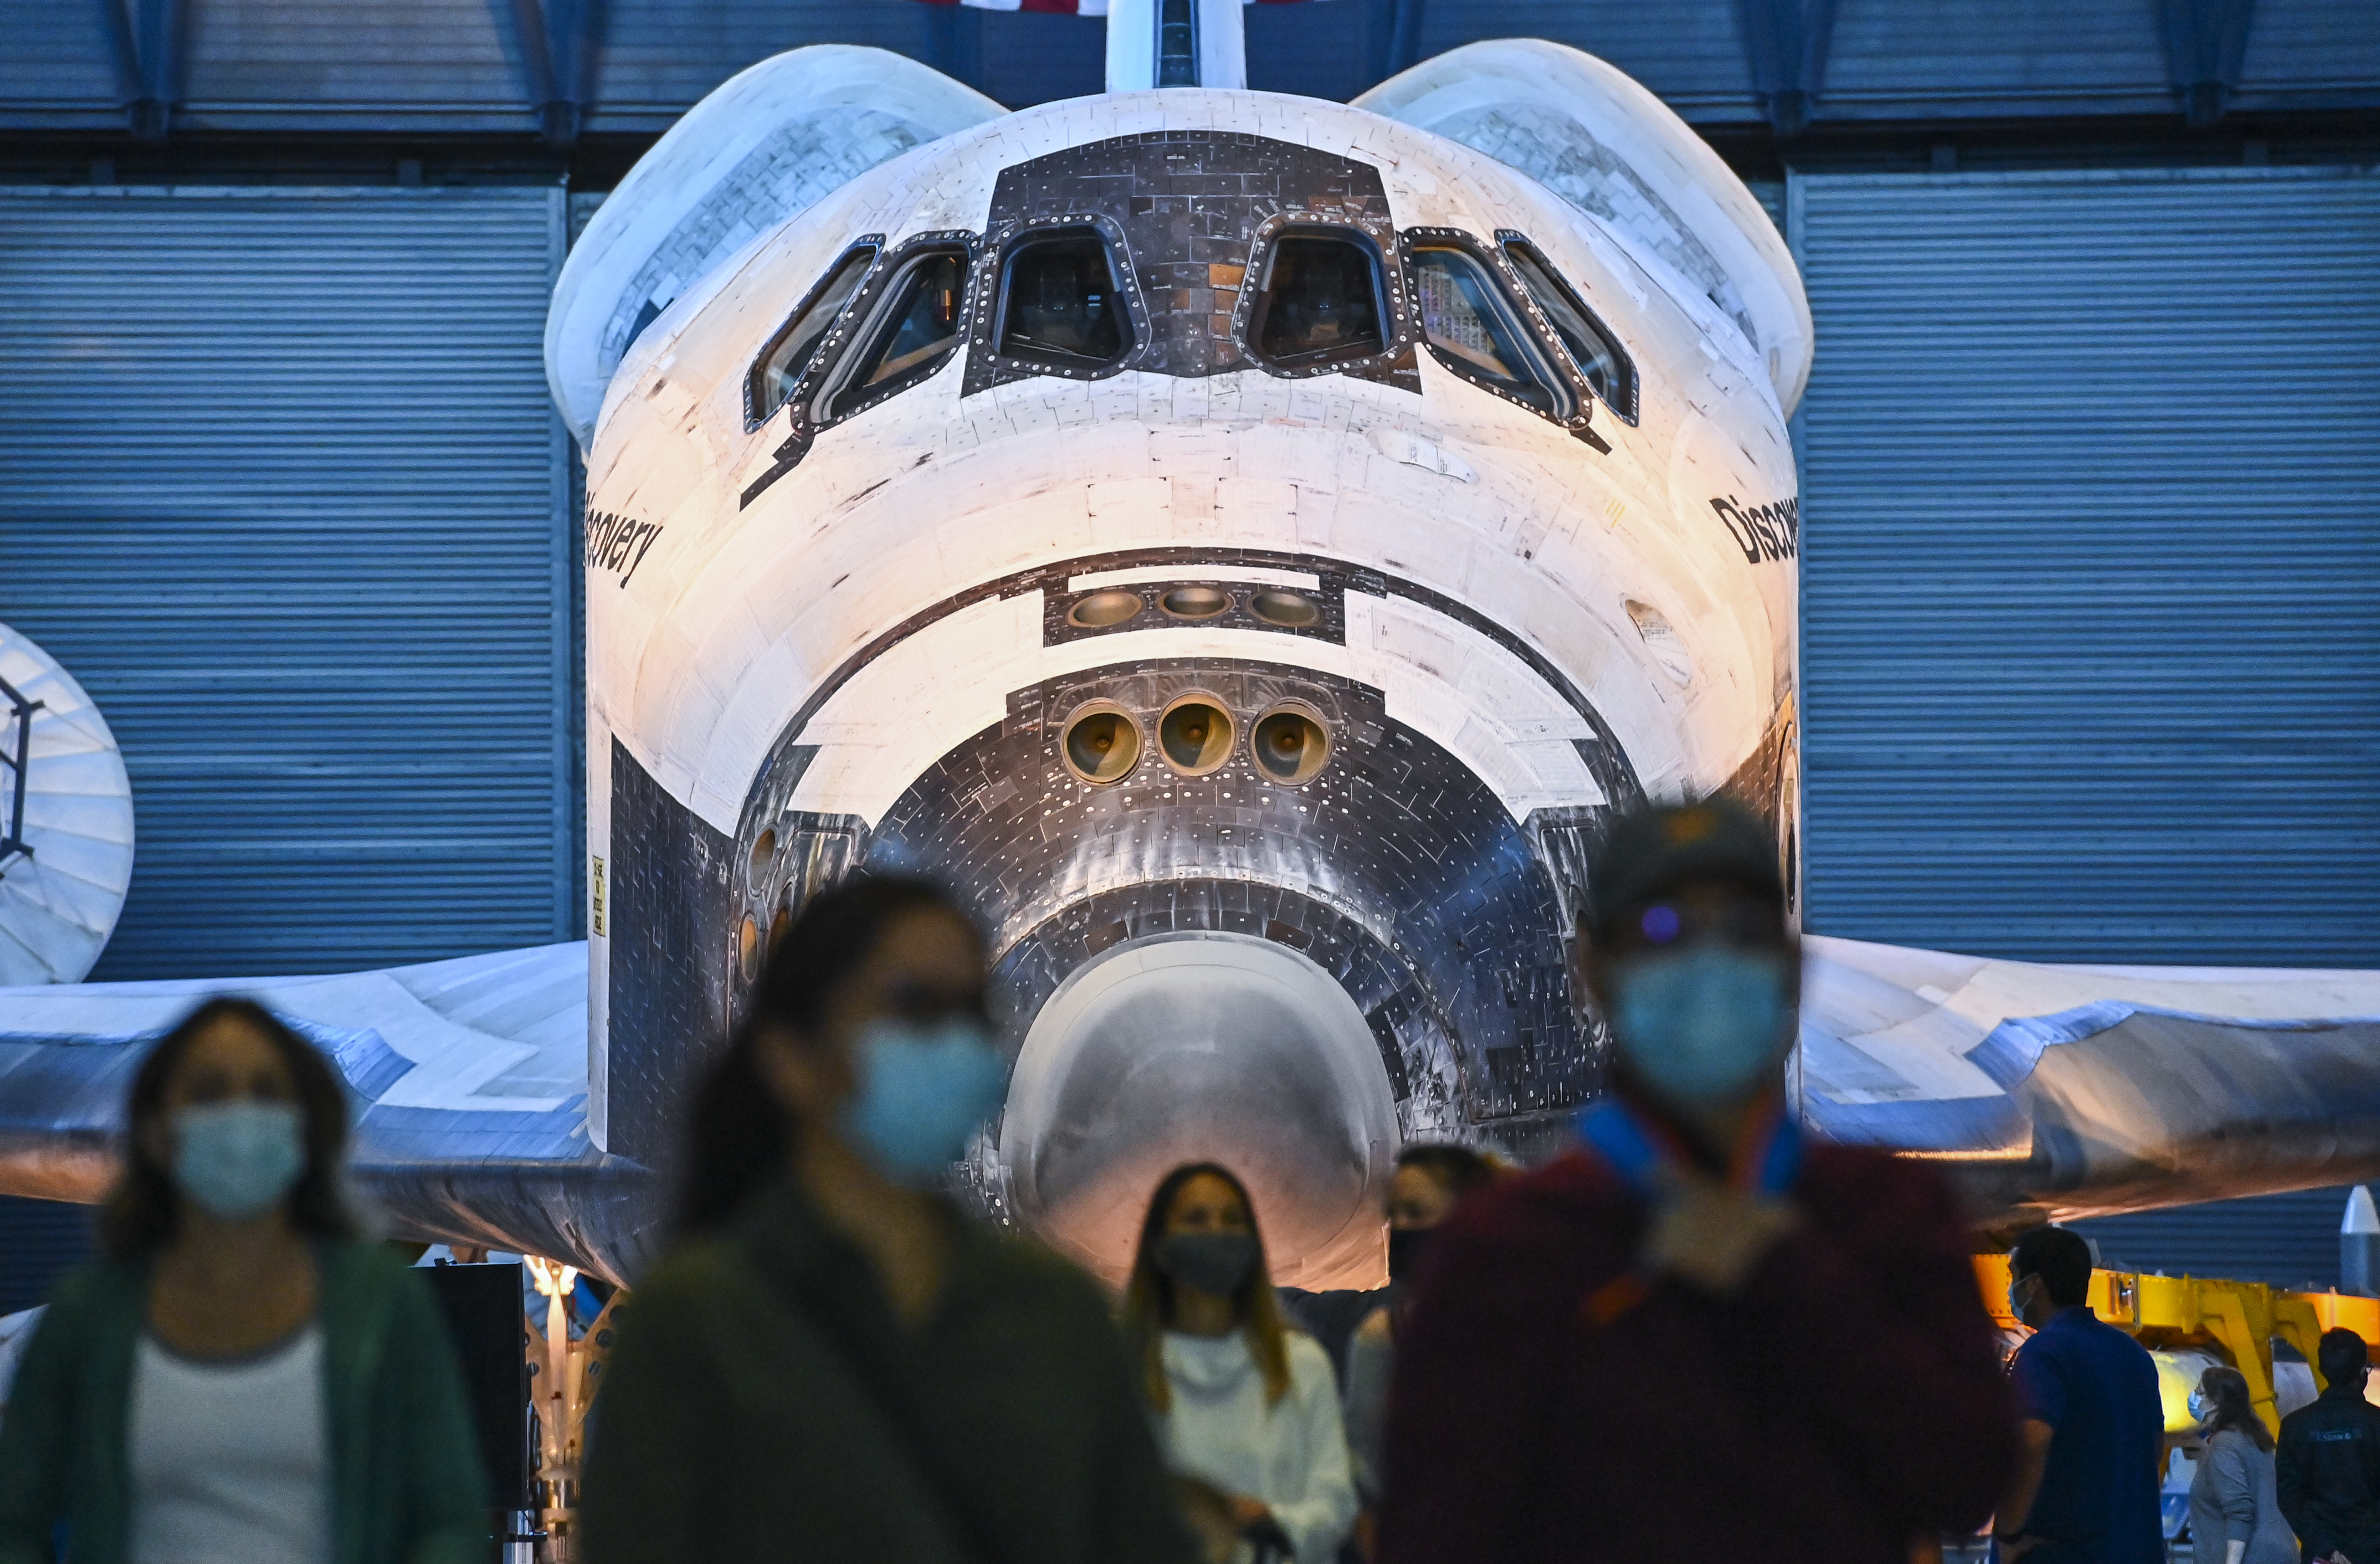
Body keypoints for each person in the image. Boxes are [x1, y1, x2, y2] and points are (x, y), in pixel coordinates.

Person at [1378, 796, 2016, 1564]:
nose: (1705, 965)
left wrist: (1789, 1274)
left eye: (1742, 932)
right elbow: (1436, 1530)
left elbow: (1968, 1476)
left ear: (1790, 963)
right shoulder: (1510, 1248)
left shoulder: (1879, 1210)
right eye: (1661, 931)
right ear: (1593, 967)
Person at [579, 874, 1195, 1564]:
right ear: (793, 1059)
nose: (956, 1044)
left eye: (973, 1011)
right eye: (915, 1008)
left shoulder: (1053, 1310)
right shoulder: (700, 1322)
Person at [0, 996, 489, 1564]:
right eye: (209, 1093)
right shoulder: (90, 1314)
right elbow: (14, 1520)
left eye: (267, 1092)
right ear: (156, 1127)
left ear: (308, 1124)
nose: (240, 1117)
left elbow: (449, 1518)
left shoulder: (381, 1302)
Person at [1126, 1162, 1357, 1564]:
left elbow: (1335, 1501)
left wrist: (1275, 1522)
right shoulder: (1125, 1373)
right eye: (1196, 1219)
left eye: (1232, 1220)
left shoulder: (1302, 1364)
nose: (1217, 1232)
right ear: (1160, 1248)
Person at [1340, 1145, 1499, 1511]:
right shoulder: (1383, 1334)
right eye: (1393, 1216)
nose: (1400, 1229)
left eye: (1416, 1213)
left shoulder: (1531, 1328)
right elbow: (1366, 1468)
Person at [1994, 1224, 2164, 1563]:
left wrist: (2008, 1534)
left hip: (2062, 1553)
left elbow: (2031, 1441)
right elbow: (2155, 1446)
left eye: (2014, 1277)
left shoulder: (2045, 1352)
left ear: (2034, 1284)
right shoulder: (2133, 1353)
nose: (2011, 1289)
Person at [2278, 1328, 2380, 1564]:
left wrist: (2327, 1548)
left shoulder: (2295, 1426)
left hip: (2320, 1555)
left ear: (2323, 1370)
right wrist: (2363, 1546)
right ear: (2362, 1373)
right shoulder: (2376, 1423)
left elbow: (2289, 1497)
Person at [2187, 1364, 2297, 1564]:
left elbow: (2239, 1509)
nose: (2194, 1397)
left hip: (2253, 1557)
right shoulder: (2255, 1438)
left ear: (2216, 1403)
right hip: (2278, 1552)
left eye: (2200, 1392)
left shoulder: (2224, 1444)